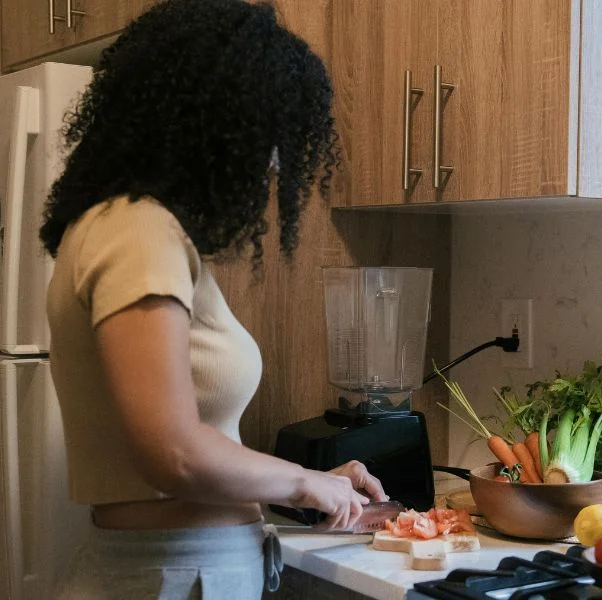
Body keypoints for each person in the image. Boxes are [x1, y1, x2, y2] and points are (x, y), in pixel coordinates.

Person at [39, 0, 387, 597]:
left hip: (171, 569)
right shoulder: (138, 229)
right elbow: (171, 453)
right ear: (219, 123)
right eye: (270, 136)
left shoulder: (124, 224)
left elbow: (191, 442)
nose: (276, 165)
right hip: (174, 574)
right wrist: (304, 483)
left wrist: (303, 477)